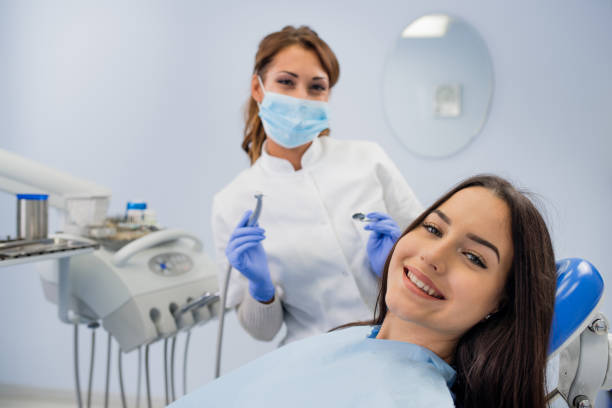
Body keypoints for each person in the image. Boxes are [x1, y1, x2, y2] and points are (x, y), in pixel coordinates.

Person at [177, 175, 556, 407]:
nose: (432, 255)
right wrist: (260, 289)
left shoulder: (413, 399)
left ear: (501, 302)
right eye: (433, 229)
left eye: (473, 257)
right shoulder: (350, 340)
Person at [211, 25, 422, 345]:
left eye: (316, 87)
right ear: (258, 88)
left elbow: (429, 264)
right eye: (286, 82)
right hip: (312, 361)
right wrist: (260, 288)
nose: (300, 98)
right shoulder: (232, 202)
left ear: (328, 96)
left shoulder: (368, 159)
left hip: (398, 344)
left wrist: (393, 267)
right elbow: (263, 332)